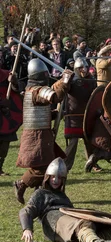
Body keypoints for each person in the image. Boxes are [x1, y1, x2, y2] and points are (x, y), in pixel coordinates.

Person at [18, 158, 111, 242]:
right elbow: (26, 211)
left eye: (59, 177)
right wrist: (27, 229)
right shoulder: (41, 193)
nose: (55, 180)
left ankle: (95, 240)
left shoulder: (63, 196)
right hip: (53, 219)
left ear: (63, 179)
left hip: (67, 221)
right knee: (83, 224)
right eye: (52, 177)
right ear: (47, 177)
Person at [14, 59, 71, 204]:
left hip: (41, 134)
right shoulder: (36, 91)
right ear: (40, 75)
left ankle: (39, 195)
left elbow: (39, 110)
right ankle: (21, 184)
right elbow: (55, 96)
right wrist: (64, 81)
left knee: (48, 165)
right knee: (41, 169)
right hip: (36, 136)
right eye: (45, 74)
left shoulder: (31, 91)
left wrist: (53, 115)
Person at [63, 58, 98, 171]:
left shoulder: (91, 80)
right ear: (76, 69)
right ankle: (65, 166)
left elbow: (95, 94)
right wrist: (65, 81)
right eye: (81, 68)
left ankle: (92, 164)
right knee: (73, 142)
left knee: (90, 141)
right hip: (73, 116)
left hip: (87, 115)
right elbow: (62, 90)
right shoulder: (72, 81)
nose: (84, 70)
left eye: (86, 67)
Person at [0, 69, 19, 175]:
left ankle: (0, 167)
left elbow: (16, 91)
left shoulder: (7, 74)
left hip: (6, 115)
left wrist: (14, 82)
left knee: (5, 144)